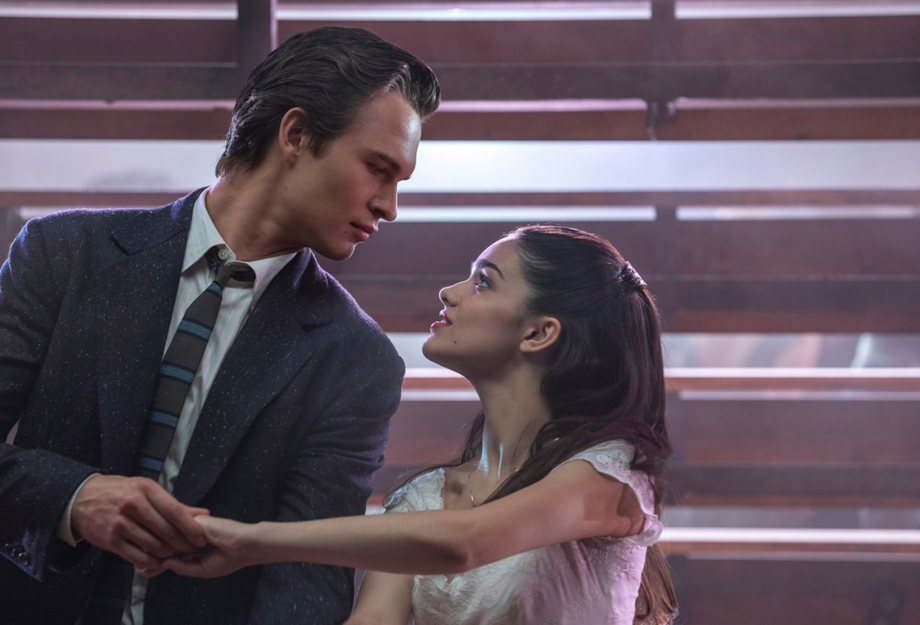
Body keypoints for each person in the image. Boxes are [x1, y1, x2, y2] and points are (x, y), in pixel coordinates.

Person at [0, 26, 439, 625]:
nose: (389, 205)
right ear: (297, 134)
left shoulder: (358, 358)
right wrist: (72, 498)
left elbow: (306, 579)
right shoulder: (65, 252)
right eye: (378, 169)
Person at [155, 225, 678, 625]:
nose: (449, 292)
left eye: (483, 281)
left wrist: (251, 543)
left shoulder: (612, 475)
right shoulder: (424, 499)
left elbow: (465, 542)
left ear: (539, 333)